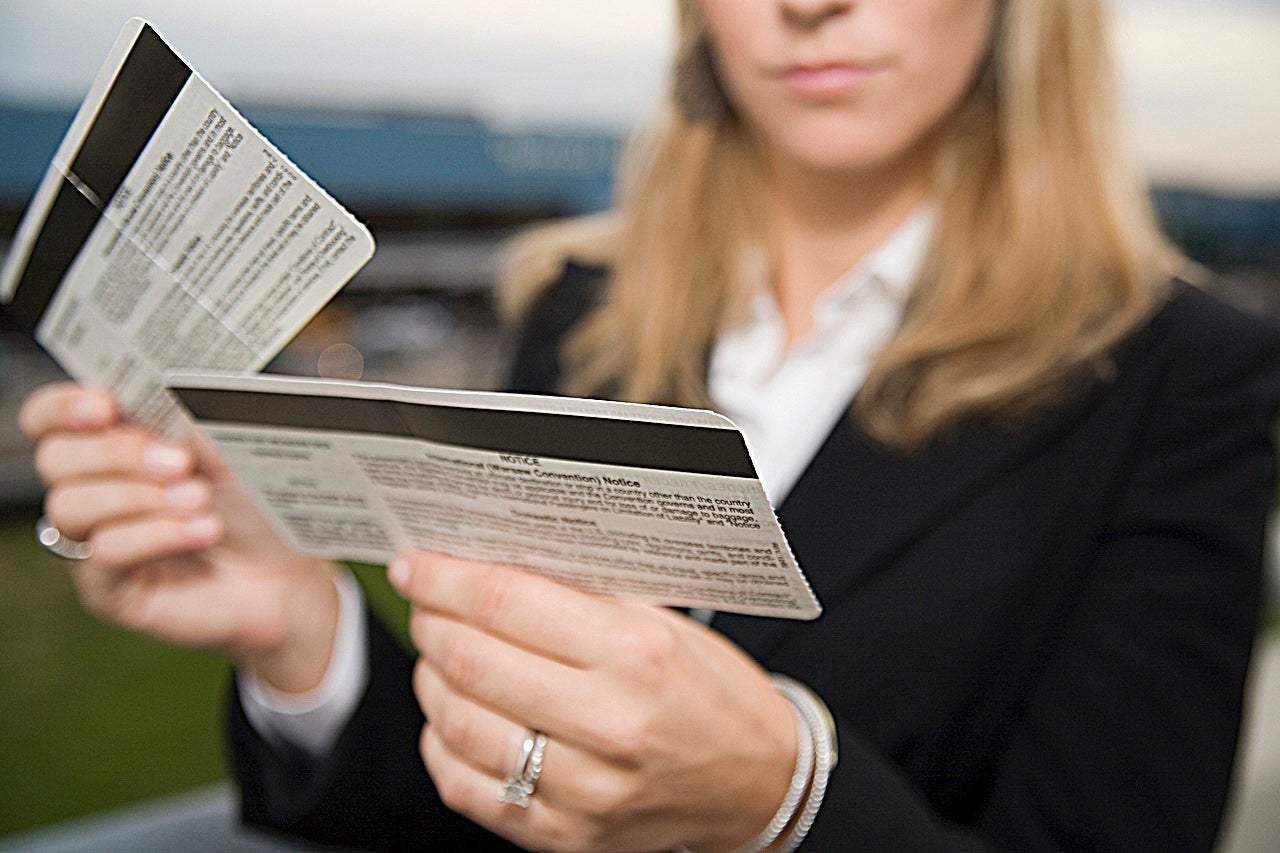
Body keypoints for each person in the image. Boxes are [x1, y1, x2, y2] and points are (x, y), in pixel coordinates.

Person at [18, 0, 1280, 849]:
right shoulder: (574, 311)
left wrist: (788, 795)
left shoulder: (1181, 375)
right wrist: (302, 631)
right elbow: (487, 797)